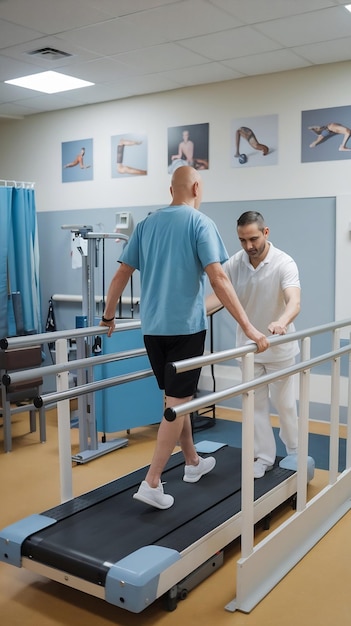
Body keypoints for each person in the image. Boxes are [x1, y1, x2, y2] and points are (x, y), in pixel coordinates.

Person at [100, 167, 268, 509]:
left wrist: (108, 315)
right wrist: (249, 327)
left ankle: (192, 462)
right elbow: (218, 278)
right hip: (186, 331)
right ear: (195, 187)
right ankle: (152, 481)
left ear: (170, 189)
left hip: (152, 331)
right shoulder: (199, 222)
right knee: (177, 405)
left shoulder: (146, 224)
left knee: (176, 400)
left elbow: (120, 273)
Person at [206, 211, 301, 479]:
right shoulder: (234, 264)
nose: (249, 246)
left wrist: (281, 321)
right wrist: (191, 314)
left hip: (279, 348)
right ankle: (264, 456)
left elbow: (294, 301)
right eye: (243, 240)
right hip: (248, 349)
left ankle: (293, 449)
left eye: (254, 238)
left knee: (285, 405)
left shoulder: (284, 262)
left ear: (266, 233)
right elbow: (218, 297)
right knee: (256, 406)